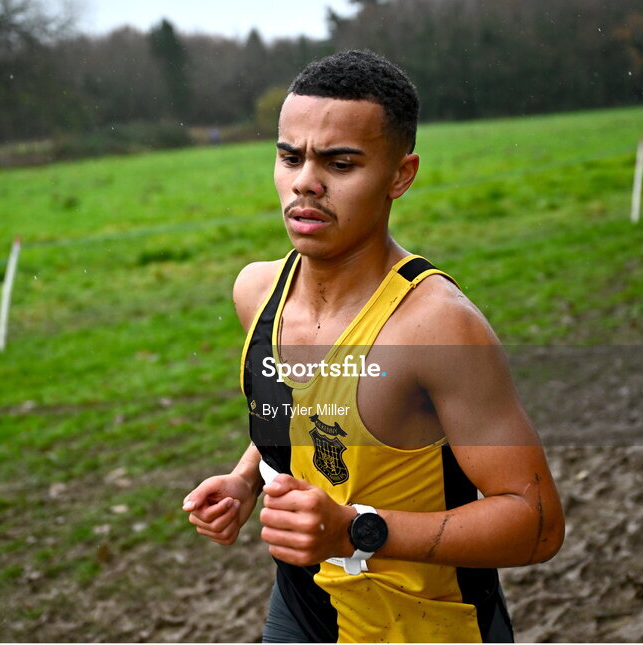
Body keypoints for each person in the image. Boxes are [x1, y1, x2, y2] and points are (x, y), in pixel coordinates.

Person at [182, 50, 564, 643]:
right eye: (290, 157)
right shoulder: (257, 292)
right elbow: (308, 414)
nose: (306, 180)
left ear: (400, 176)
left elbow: (537, 524)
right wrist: (245, 479)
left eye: (339, 162)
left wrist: (356, 530)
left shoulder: (436, 327)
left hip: (429, 625)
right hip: (302, 611)